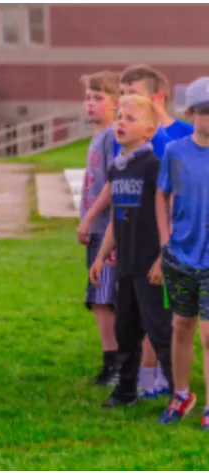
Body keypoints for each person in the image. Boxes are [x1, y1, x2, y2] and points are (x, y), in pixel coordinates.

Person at [89, 94, 173, 410]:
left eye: (131, 118)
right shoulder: (118, 168)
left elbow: (169, 215)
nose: (121, 122)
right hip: (125, 264)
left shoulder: (154, 167)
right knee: (125, 331)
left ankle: (179, 393)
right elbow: (115, 217)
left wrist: (162, 260)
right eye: (119, 117)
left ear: (150, 131)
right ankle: (126, 391)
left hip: (151, 266)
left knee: (161, 331)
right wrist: (100, 257)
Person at [116, 65, 194, 398]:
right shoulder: (126, 144)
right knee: (144, 317)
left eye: (132, 94)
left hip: (176, 241)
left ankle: (173, 382)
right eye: (122, 95)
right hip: (138, 243)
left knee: (169, 319)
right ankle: (148, 378)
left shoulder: (178, 138)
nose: (125, 102)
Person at [157, 77, 209, 429]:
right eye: (206, 112)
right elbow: (161, 195)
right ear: (191, 113)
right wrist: (165, 241)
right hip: (181, 255)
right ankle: (182, 394)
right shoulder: (175, 152)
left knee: (208, 334)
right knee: (181, 326)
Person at [75, 71, 120, 387]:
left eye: (98, 98)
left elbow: (114, 185)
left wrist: (91, 218)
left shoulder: (112, 139)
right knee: (98, 299)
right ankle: (111, 362)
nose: (91, 104)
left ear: (116, 103)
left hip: (108, 232)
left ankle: (116, 363)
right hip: (95, 232)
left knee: (105, 297)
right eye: (88, 98)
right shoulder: (97, 136)